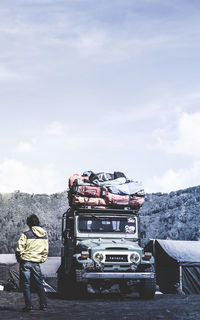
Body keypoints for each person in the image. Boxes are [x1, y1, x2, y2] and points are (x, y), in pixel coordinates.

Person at [16, 214, 49, 312]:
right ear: (38, 223)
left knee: (26, 284)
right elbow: (46, 250)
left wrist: (20, 258)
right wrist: (41, 259)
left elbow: (19, 249)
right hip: (36, 262)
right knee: (39, 283)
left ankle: (29, 307)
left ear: (29, 223)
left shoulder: (25, 234)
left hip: (25, 261)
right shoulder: (44, 235)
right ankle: (43, 305)